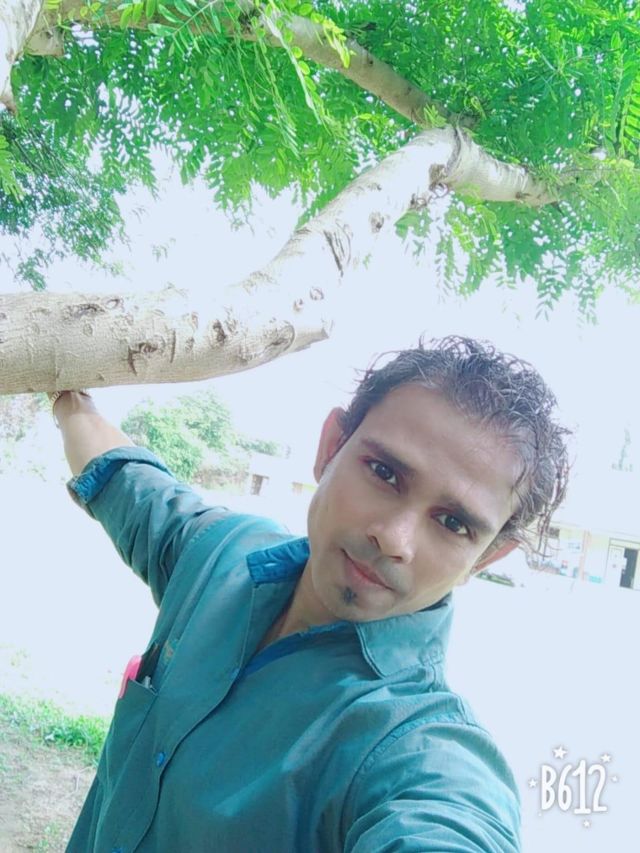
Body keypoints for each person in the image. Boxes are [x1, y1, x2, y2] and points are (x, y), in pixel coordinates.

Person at [52, 335, 569, 852]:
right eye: (385, 473)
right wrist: (63, 388)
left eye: (453, 523)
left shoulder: (419, 749)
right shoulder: (220, 555)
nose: (395, 540)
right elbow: (125, 478)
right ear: (330, 448)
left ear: (485, 559)